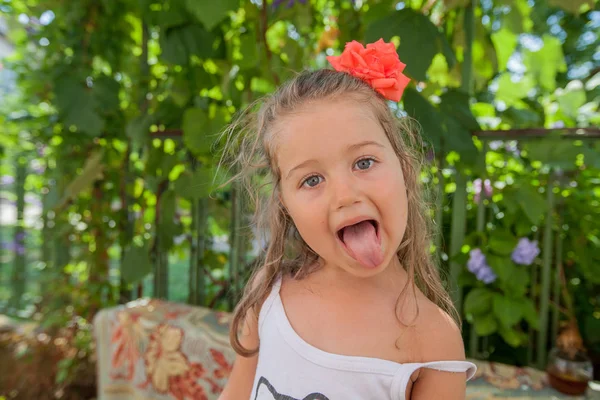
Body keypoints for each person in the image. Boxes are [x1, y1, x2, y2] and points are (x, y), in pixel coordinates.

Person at [218, 39, 476, 400]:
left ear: (404, 167)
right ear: (284, 204)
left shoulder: (434, 339)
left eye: (364, 162)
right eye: (311, 180)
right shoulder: (271, 294)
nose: (345, 195)